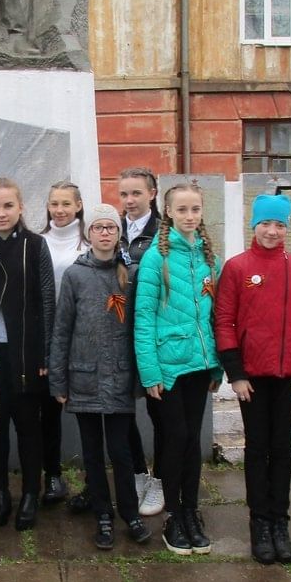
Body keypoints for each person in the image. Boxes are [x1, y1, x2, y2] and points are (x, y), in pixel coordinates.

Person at [215, 193, 291, 565]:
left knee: (282, 449)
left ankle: (280, 522)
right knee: (257, 447)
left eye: (279, 225)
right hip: (253, 379)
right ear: (254, 225)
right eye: (265, 224)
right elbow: (225, 320)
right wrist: (236, 373)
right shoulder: (237, 267)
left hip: (290, 376)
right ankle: (259, 523)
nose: (272, 231)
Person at [50, 203, 152, 550]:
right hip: (85, 379)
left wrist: (139, 378)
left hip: (120, 379)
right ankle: (102, 514)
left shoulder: (130, 274)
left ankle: (130, 513)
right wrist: (59, 381)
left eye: (110, 227)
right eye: (98, 228)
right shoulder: (76, 276)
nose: (105, 233)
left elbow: (139, 329)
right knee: (92, 453)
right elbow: (62, 330)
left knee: (121, 452)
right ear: (89, 234)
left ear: (118, 234)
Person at [135, 182, 221, 556]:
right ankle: (173, 513)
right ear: (168, 212)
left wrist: (216, 365)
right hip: (169, 366)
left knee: (193, 442)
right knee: (176, 439)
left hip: (199, 365)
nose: (189, 216)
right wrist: (150, 372)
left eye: (195, 210)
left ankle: (190, 510)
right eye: (182, 210)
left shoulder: (207, 256)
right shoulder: (157, 258)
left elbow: (214, 314)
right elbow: (143, 317)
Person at [0, 177, 56, 530]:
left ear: (21, 208)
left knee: (29, 429)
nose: (1, 213)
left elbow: (47, 299)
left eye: (7, 206)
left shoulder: (35, 246)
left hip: (26, 352)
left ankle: (31, 493)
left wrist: (46, 355)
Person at [116, 167, 166, 518]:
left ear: (152, 194)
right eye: (124, 194)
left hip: (152, 333)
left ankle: (160, 479)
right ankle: (135, 471)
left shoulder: (163, 233)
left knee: (159, 409)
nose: (130, 201)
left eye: (136, 193)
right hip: (119, 331)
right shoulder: (110, 230)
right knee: (122, 409)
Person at [37, 180, 90, 504]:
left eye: (66, 204)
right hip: (49, 336)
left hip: (81, 337)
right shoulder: (38, 241)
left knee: (87, 408)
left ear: (78, 206)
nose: (59, 210)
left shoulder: (87, 243)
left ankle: (91, 480)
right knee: (49, 411)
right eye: (54, 204)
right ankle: (52, 474)